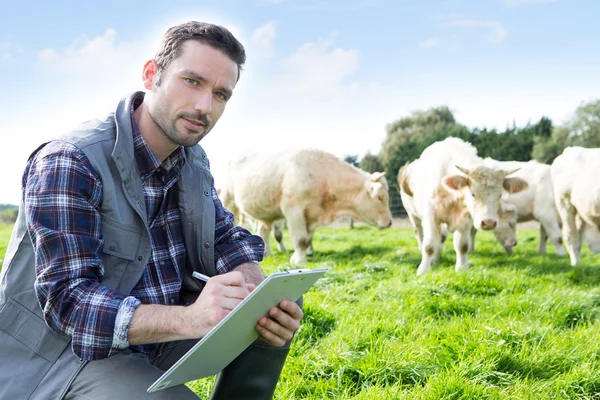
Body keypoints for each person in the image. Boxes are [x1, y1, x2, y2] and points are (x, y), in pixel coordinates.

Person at [0, 21, 304, 400]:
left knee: (275, 302)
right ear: (151, 74)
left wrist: (250, 279)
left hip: (155, 335)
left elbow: (224, 234)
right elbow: (69, 305)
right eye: (192, 81)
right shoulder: (70, 160)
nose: (204, 106)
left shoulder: (192, 160)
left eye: (221, 94)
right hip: (69, 355)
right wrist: (192, 319)